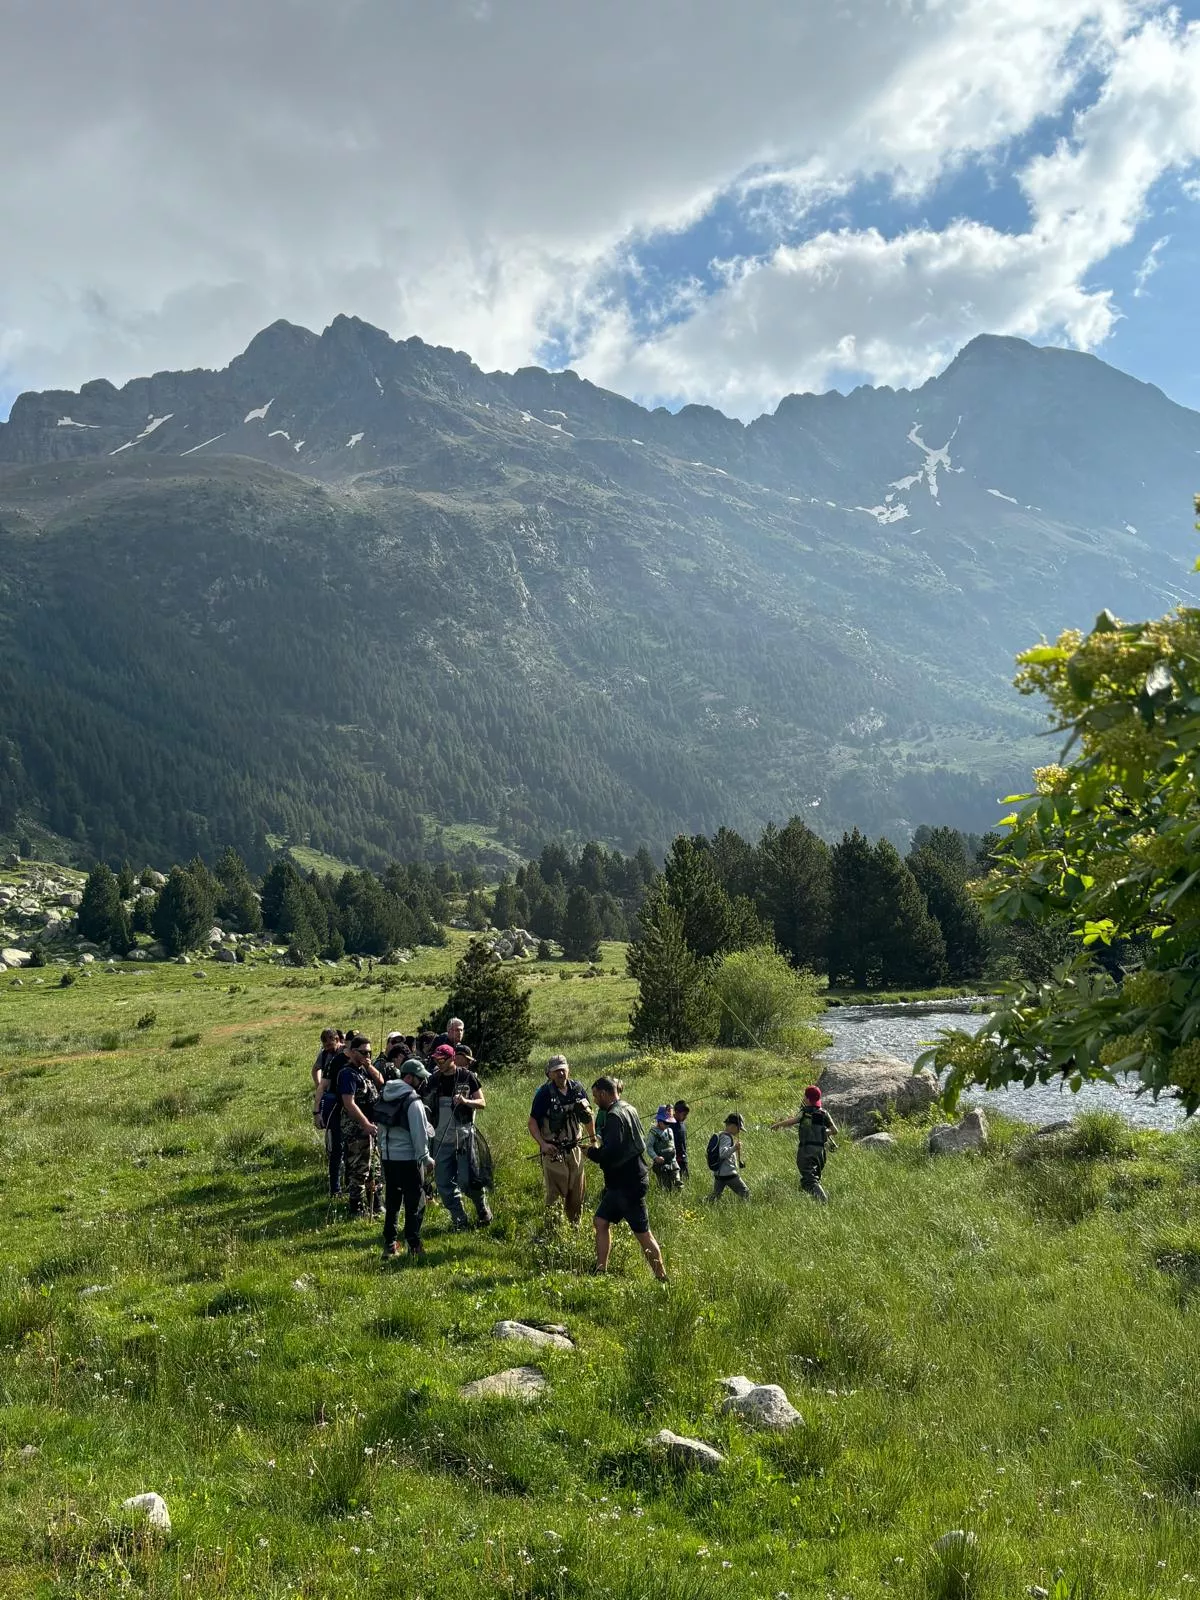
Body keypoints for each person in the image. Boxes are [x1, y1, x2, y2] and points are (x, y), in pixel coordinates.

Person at [585, 1077, 666, 1281]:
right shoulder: (629, 1108)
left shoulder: (613, 1116)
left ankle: (661, 1277)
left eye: (595, 1096)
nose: (595, 1100)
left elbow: (610, 1153)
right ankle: (601, 1270)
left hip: (626, 1183)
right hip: (633, 1178)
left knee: (642, 1233)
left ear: (603, 1093)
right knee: (601, 1221)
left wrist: (591, 1153)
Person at [425, 1043, 492, 1230]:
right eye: (436, 1060)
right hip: (440, 1139)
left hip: (464, 1137)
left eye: (442, 1060)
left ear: (452, 1058)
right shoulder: (433, 1080)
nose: (438, 1063)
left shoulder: (467, 1076)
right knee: (443, 1184)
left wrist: (465, 1101)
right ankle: (460, 1220)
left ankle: (482, 1209)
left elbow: (482, 1102)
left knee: (468, 1181)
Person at [374, 1057, 435, 1259]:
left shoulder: (385, 1095)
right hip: (409, 1159)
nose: (422, 1082)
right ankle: (414, 1245)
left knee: (392, 1202)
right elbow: (419, 1134)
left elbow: (380, 1128)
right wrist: (426, 1159)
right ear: (409, 1078)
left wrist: (383, 1151)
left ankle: (390, 1245)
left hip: (388, 1158)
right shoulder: (413, 1101)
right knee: (414, 1203)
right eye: (419, 1078)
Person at [528, 1055, 595, 1224]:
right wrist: (543, 1144)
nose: (561, 1073)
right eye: (556, 1071)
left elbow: (588, 1117)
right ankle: (553, 1231)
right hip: (554, 1151)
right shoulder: (544, 1094)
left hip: (575, 1148)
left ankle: (575, 1228)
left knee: (577, 1193)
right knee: (555, 1195)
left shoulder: (577, 1089)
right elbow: (532, 1122)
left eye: (563, 1069)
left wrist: (593, 1140)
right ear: (550, 1074)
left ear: (568, 1070)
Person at [337, 1034, 384, 1217]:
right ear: (352, 1052)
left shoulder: (364, 1071)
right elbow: (349, 1103)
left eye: (370, 1052)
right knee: (359, 1169)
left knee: (374, 1168)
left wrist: (369, 1065)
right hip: (357, 1129)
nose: (367, 1055)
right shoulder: (347, 1074)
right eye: (363, 1052)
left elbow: (381, 1082)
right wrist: (365, 1124)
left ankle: (376, 1204)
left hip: (372, 1127)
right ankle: (356, 1208)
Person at [771, 1085, 838, 1202]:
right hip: (820, 1153)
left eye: (804, 1097)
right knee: (814, 1177)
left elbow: (794, 1121)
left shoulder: (804, 1112)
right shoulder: (824, 1113)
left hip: (806, 1151)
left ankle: (823, 1201)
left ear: (807, 1099)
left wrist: (777, 1125)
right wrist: (823, 1133)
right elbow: (834, 1131)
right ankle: (815, 1201)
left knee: (810, 1180)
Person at [312, 1029, 344, 1198]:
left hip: (347, 1100)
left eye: (331, 1045)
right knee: (336, 1148)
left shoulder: (346, 1053)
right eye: (326, 1046)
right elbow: (315, 1069)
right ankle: (335, 1189)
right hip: (332, 1103)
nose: (329, 1049)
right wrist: (320, 1087)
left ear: (337, 1039)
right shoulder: (324, 1054)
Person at [707, 1112, 750, 1201]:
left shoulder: (720, 1134)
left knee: (715, 1196)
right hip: (728, 1173)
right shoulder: (726, 1137)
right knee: (745, 1192)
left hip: (719, 1173)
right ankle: (746, 1207)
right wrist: (735, 1147)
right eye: (739, 1128)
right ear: (733, 1126)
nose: (739, 1132)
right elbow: (722, 1154)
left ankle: (703, 1203)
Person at [648, 1106, 682, 1190]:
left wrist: (674, 1157)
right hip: (661, 1162)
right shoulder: (653, 1132)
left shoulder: (670, 1131)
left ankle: (678, 1184)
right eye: (666, 1123)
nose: (668, 1125)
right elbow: (649, 1148)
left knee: (676, 1173)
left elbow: (672, 1145)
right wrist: (655, 1157)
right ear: (659, 1121)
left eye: (669, 1123)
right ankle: (665, 1190)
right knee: (665, 1182)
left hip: (672, 1160)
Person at [672, 1100, 691, 1179]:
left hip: (683, 1157)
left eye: (686, 1115)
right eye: (684, 1114)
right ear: (676, 1112)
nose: (685, 1117)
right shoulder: (670, 1124)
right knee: (675, 1179)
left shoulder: (682, 1124)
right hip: (674, 1159)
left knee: (685, 1178)